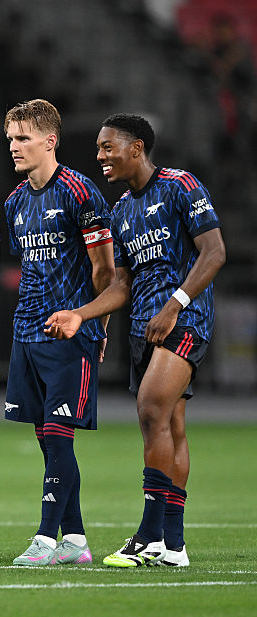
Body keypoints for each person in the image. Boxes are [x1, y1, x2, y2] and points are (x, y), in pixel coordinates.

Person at [45, 113, 225, 567]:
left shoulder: (181, 185)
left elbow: (214, 251)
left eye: (109, 147)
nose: (101, 156)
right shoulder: (121, 209)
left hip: (183, 320)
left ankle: (149, 535)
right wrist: (81, 316)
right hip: (144, 327)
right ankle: (175, 546)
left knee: (149, 410)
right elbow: (121, 286)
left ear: (137, 147)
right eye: (100, 148)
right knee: (169, 426)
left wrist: (175, 304)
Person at [2, 99, 115, 567]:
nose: (14, 147)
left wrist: (94, 322)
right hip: (27, 332)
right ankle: (76, 540)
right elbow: (31, 268)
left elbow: (105, 270)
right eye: (10, 138)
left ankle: (46, 539)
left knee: (59, 433)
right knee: (48, 439)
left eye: (24, 137)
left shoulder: (81, 193)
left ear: (50, 141)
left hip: (69, 336)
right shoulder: (13, 201)